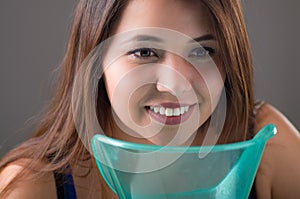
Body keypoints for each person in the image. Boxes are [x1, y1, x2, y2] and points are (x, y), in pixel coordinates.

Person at [0, 0, 300, 198]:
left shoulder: (269, 148)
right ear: (94, 61)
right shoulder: (33, 187)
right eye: (144, 52)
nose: (176, 86)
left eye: (202, 51)